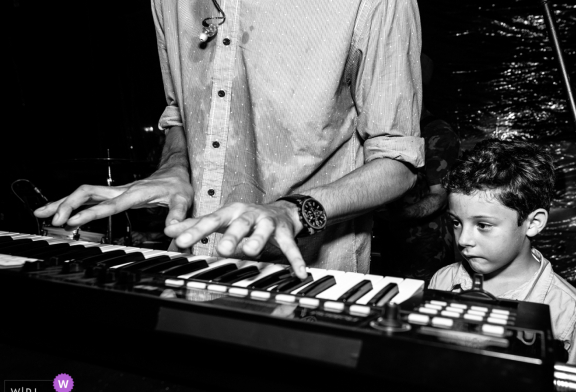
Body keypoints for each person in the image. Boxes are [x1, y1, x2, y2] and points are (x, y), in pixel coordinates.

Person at [34, 0, 425, 279]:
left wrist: (293, 211)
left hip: (308, 284)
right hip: (186, 270)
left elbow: (398, 163)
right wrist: (175, 167)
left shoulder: (376, 4)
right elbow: (181, 117)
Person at [429, 139, 576, 392]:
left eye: (483, 225)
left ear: (532, 223)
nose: (463, 240)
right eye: (456, 222)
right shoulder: (443, 281)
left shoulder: (571, 312)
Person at [374, 54, 460, 282]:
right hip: (395, 246)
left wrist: (393, 216)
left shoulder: (438, 134)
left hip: (427, 250)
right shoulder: (394, 135)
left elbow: (439, 197)